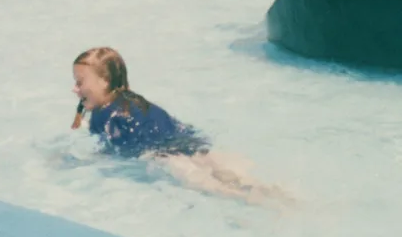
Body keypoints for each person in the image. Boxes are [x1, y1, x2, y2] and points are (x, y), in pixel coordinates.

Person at [71, 47, 286, 204]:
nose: (75, 89)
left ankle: (265, 206)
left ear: (105, 82)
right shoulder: (134, 99)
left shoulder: (101, 116)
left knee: (219, 191)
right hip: (190, 143)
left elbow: (111, 153)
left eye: (80, 82)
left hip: (164, 156)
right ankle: (282, 198)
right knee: (240, 178)